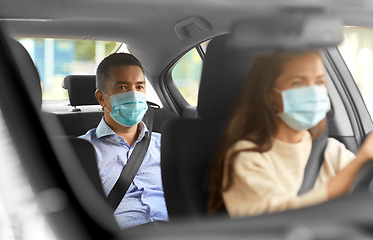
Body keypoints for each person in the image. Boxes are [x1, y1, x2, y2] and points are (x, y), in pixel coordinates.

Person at [207, 50, 373, 217]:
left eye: (319, 82)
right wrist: (360, 161)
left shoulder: (332, 152)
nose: (313, 92)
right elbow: (275, 221)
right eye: (298, 83)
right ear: (269, 94)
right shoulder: (246, 156)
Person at [79, 53, 168, 229]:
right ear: (101, 98)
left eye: (139, 87)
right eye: (122, 87)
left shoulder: (166, 145)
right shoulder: (83, 151)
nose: (134, 95)